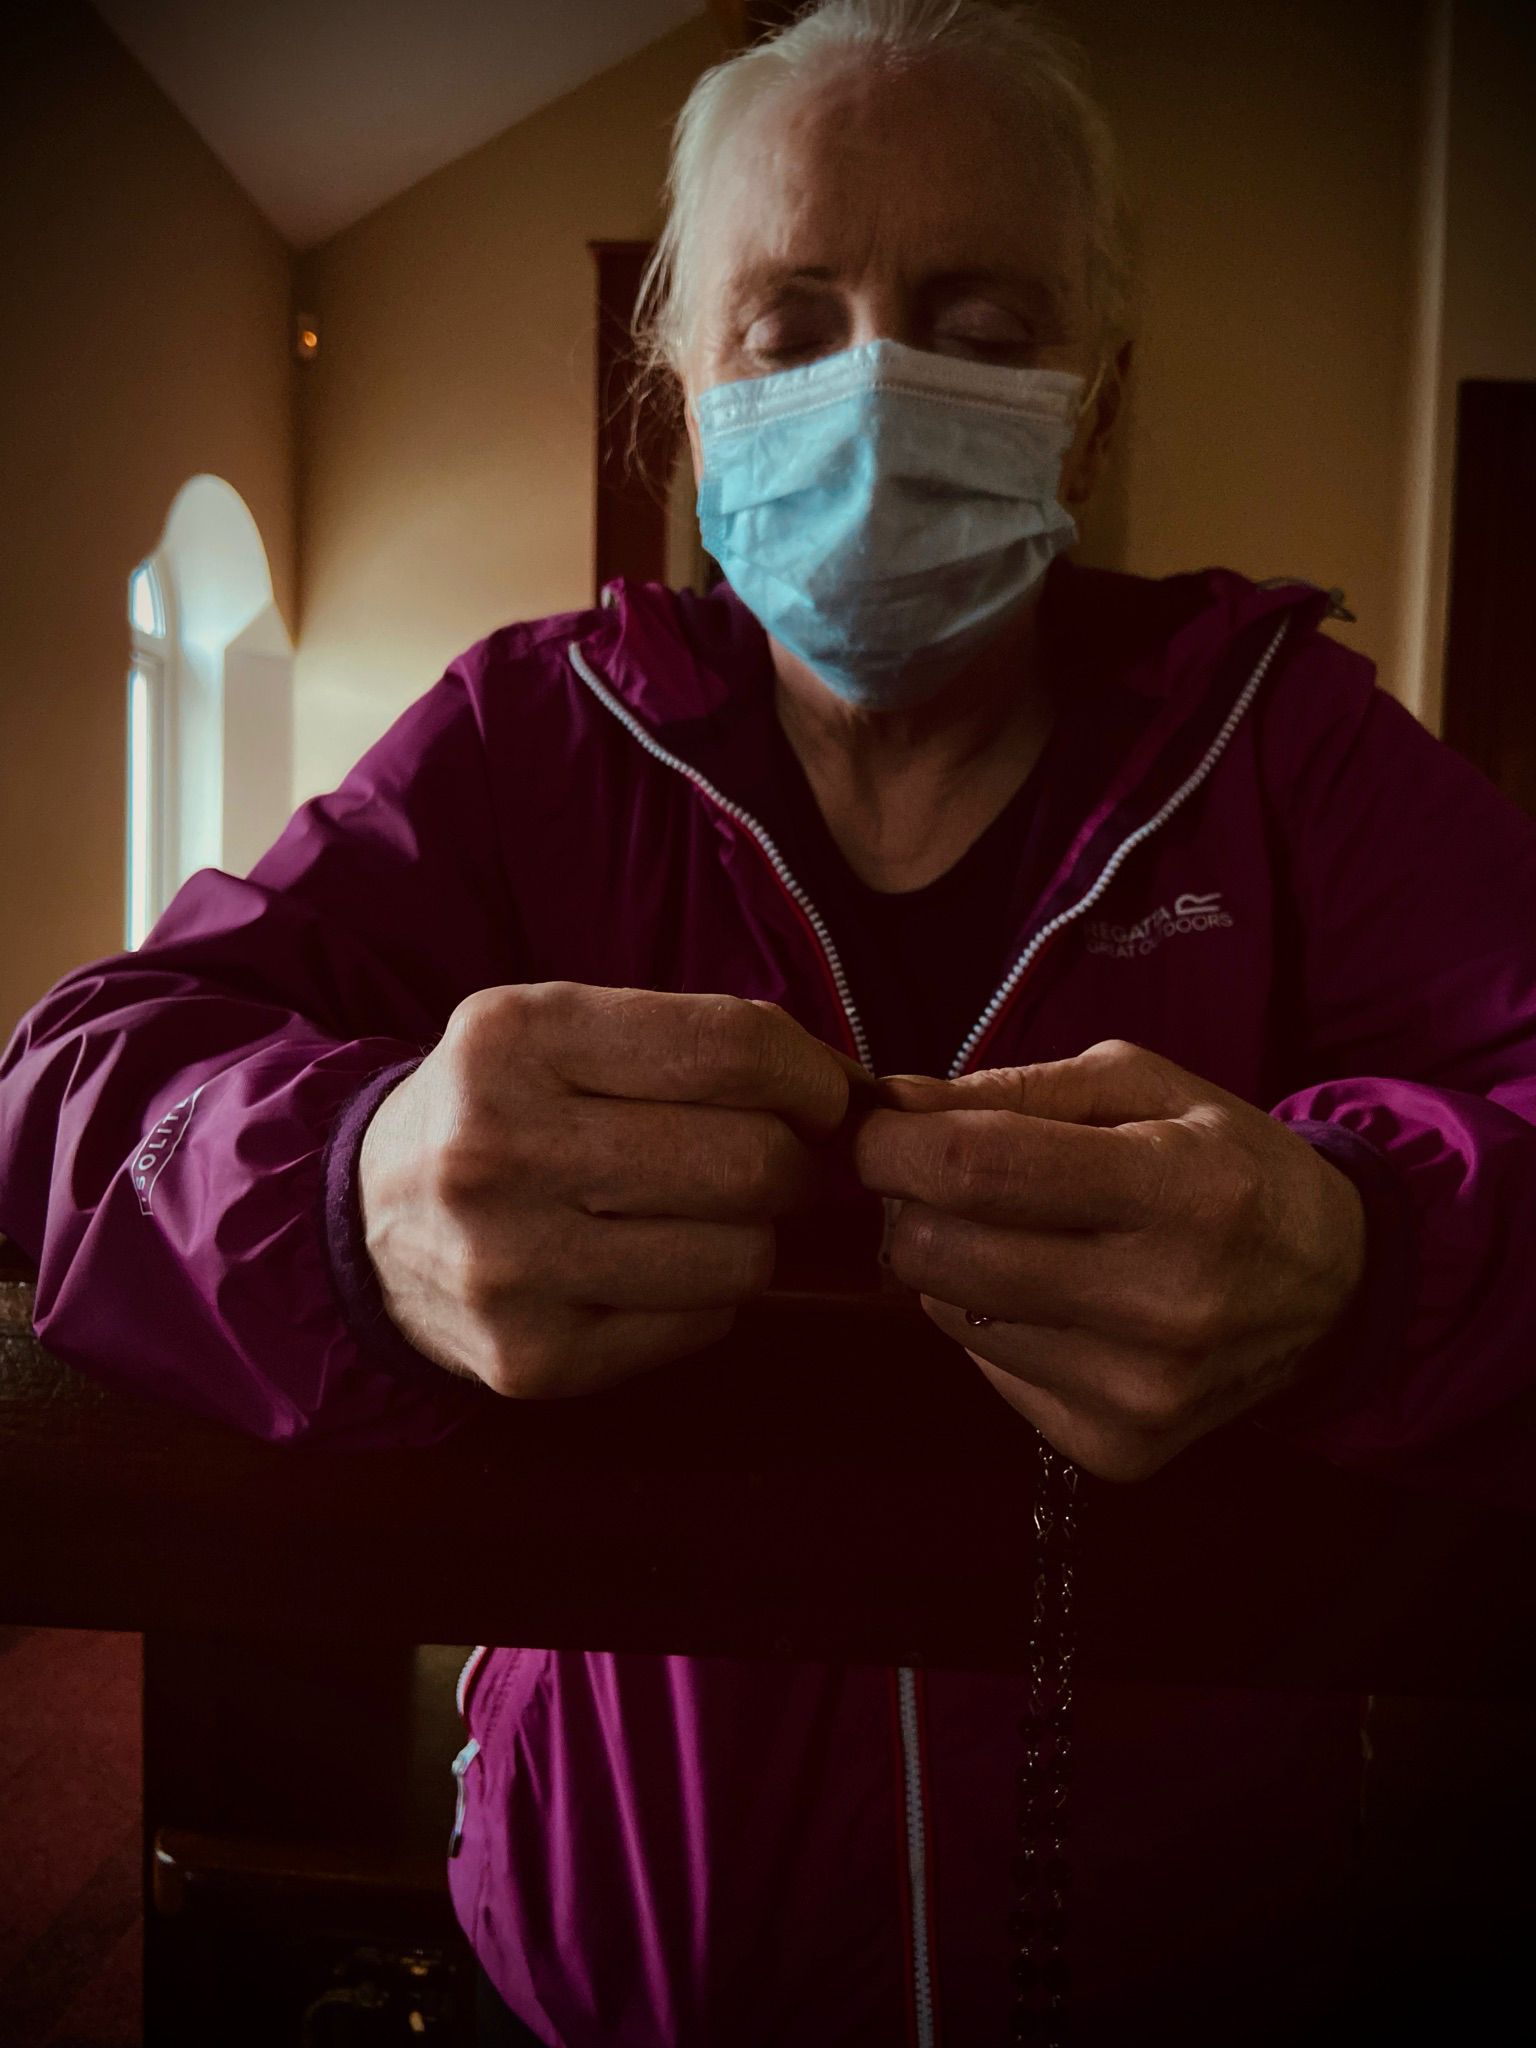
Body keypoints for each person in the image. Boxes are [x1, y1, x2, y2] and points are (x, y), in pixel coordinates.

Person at [3, 0, 1534, 2040]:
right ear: (680, 385)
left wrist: (1371, 1250)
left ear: (1096, 393)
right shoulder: (532, 736)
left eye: (981, 324)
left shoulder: (1290, 750)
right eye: (789, 324)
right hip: (604, 1952)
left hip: (1199, 1947)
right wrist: (354, 1191)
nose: (879, 391)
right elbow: (78, 1085)